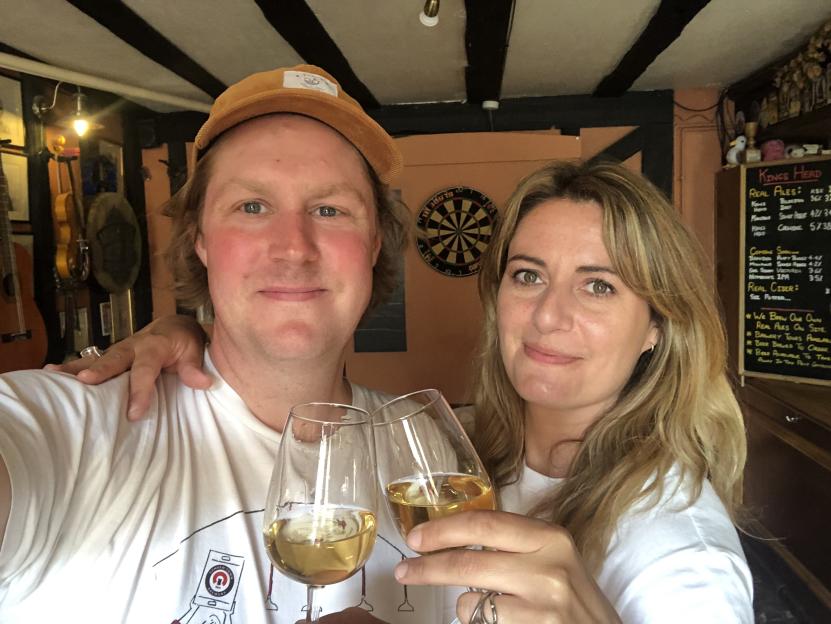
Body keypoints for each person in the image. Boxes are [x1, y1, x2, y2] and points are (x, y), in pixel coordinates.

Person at [63, 160, 754, 623]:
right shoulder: (456, 447)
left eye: (598, 285)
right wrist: (197, 331)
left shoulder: (678, 549)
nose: (548, 314)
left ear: (658, 326)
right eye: (527, 275)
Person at [0, 64, 455, 623]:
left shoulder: (430, 456)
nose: (294, 248)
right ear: (202, 243)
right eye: (252, 207)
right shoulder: (83, 422)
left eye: (330, 210)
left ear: (375, 246)